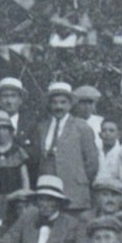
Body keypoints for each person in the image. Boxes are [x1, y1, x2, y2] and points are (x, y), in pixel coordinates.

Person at [31, 82, 98, 211]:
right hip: (48, 190)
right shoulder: (41, 127)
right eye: (54, 102)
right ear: (49, 105)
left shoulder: (81, 127)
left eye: (63, 102)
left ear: (70, 104)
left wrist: (79, 179)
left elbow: (92, 163)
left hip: (73, 191)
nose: (58, 106)